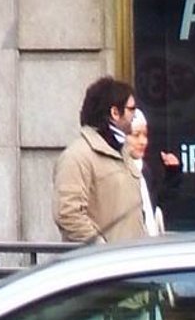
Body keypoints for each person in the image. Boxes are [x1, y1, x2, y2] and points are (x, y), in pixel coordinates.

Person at [52, 76, 145, 248]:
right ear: (115, 112)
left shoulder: (123, 152)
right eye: (131, 109)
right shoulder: (77, 156)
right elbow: (68, 214)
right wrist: (101, 248)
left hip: (132, 258)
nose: (135, 115)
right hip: (106, 261)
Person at [126, 107, 180, 237]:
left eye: (145, 135)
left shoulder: (145, 170)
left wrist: (173, 173)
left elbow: (157, 204)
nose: (143, 141)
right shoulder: (117, 171)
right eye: (136, 135)